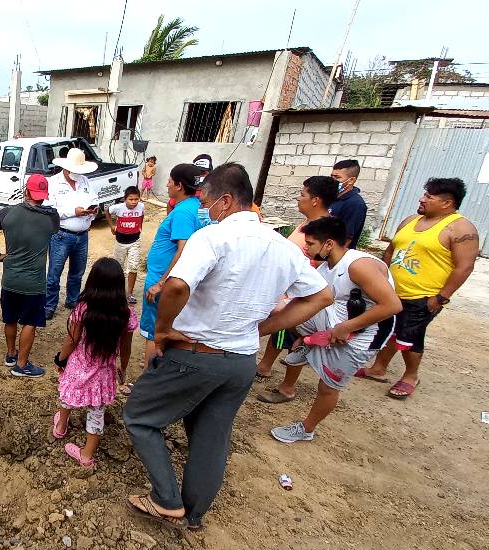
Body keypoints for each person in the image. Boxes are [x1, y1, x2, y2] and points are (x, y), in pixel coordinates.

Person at [122, 163, 332, 530]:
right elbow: (322, 295)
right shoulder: (283, 247)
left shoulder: (213, 238)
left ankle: (166, 500)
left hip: (196, 354)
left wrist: (163, 331)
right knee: (211, 435)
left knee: (139, 416)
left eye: (206, 202)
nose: (203, 209)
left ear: (225, 201)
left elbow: (176, 286)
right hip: (241, 362)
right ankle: (195, 514)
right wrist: (262, 329)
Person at [263, 216, 402, 442]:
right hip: (340, 321)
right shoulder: (326, 268)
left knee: (327, 387)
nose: (306, 248)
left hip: (365, 335)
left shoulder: (358, 266)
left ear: (328, 244)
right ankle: (308, 345)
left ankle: (306, 429)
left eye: (310, 244)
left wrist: (347, 327)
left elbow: (393, 306)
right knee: (290, 307)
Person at [357, 178, 478, 400]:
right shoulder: (410, 221)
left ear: (447, 203)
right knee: (391, 329)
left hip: (424, 296)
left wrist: (441, 297)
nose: (422, 199)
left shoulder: (460, 228)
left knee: (410, 336)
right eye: (424, 194)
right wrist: (381, 279)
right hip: (393, 292)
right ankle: (378, 369)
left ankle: (411, 376)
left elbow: (465, 266)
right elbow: (391, 250)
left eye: (429, 197)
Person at [52, 257, 137, 468]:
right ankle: (87, 455)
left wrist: (61, 359)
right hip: (104, 372)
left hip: (78, 365)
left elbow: (71, 340)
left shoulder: (83, 308)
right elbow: (126, 348)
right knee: (97, 412)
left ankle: (60, 427)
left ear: (93, 281)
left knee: (68, 394)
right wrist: (123, 368)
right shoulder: (126, 314)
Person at [256, 175, 338, 380]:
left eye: (302, 194)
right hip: (287, 289)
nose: (298, 198)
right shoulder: (307, 223)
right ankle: (267, 366)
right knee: (282, 328)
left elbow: (321, 265)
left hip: (300, 292)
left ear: (315, 200)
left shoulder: (324, 229)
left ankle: (280, 378)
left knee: (291, 331)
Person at [0, 174, 60, 378]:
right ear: (44, 195)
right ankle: (22, 365)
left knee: (10, 319)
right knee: (30, 322)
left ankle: (11, 354)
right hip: (34, 283)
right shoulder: (51, 218)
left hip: (10, 279)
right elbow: (54, 227)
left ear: (26, 191)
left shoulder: (7, 212)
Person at [140, 164, 205, 364]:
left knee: (154, 332)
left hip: (163, 279)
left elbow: (183, 248)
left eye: (170, 181)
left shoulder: (183, 212)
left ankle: (150, 376)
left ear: (179, 185)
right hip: (175, 279)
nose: (167, 184)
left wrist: (161, 283)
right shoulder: (197, 208)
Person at [45, 147, 99, 320]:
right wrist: (74, 212)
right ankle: (49, 305)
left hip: (82, 235)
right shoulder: (53, 183)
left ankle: (72, 301)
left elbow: (94, 199)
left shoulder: (85, 181)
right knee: (54, 273)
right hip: (61, 234)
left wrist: (93, 211)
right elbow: (50, 210)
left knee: (77, 273)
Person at [105, 186, 145, 304]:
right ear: (125, 199)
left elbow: (142, 215)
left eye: (136, 199)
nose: (134, 202)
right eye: (131, 199)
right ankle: (116, 292)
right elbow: (107, 211)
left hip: (135, 242)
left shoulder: (141, 206)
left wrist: (140, 226)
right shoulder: (118, 208)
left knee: (133, 267)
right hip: (120, 243)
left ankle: (129, 294)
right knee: (118, 268)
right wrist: (112, 226)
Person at [330, 159, 368, 247]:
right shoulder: (331, 197)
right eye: (332, 176)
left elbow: (346, 239)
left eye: (337, 177)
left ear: (351, 180)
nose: (333, 180)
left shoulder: (355, 204)